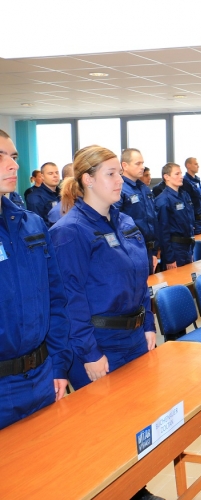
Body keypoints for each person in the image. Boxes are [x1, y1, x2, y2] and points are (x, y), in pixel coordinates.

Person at [49, 145, 163, 500]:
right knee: (104, 428)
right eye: (111, 174)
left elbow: (141, 280)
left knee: (133, 420)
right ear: (87, 180)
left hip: (133, 337)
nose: (119, 180)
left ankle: (136, 488)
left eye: (119, 173)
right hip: (98, 343)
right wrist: (89, 353)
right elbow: (70, 299)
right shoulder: (70, 230)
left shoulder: (125, 222)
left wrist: (148, 326)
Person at [0, 129, 71, 431]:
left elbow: (55, 298)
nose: (13, 165)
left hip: (41, 375)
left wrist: (59, 363)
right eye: (1, 157)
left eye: (13, 156)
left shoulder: (31, 223)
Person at [116, 149, 160, 274]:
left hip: (149, 250)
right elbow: (115, 222)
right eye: (138, 163)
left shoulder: (144, 188)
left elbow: (153, 219)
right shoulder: (120, 188)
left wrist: (154, 251)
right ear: (125, 165)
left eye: (143, 163)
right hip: (131, 251)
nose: (142, 167)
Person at [155, 162, 195, 269]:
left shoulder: (184, 195)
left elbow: (189, 222)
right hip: (175, 248)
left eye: (181, 173)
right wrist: (169, 258)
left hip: (188, 246)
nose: (181, 176)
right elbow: (163, 231)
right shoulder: (163, 200)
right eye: (177, 174)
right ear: (166, 177)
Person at [26, 161, 60, 227]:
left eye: (57, 173)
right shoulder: (35, 197)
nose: (55, 176)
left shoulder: (63, 193)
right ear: (42, 176)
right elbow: (37, 225)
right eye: (50, 173)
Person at [182, 157, 201, 235]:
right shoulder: (185, 181)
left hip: (200, 220)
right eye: (195, 164)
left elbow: (200, 201)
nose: (198, 166)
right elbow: (187, 204)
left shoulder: (197, 181)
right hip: (193, 222)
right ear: (188, 165)